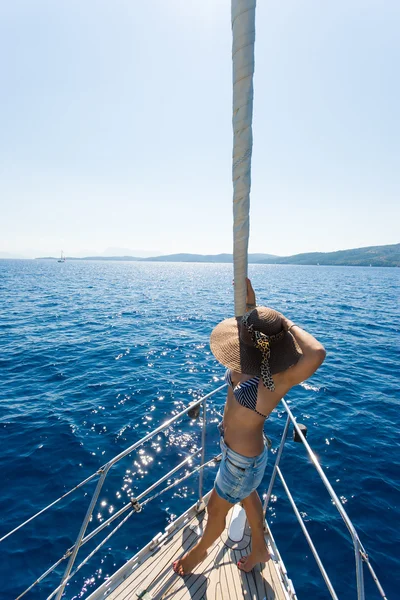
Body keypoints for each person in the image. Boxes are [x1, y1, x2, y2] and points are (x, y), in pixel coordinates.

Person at [173, 278, 326, 576]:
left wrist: (285, 322)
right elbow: (250, 327)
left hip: (242, 462)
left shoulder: (275, 381)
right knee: (248, 495)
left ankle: (196, 556)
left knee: (217, 512)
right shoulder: (248, 353)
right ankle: (259, 549)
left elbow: (317, 353)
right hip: (238, 455)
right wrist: (252, 306)